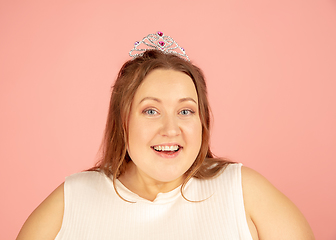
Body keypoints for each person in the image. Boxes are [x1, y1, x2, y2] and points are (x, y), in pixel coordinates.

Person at [17, 32, 315, 240]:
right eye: (150, 111)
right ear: (123, 122)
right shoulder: (73, 199)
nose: (171, 130)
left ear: (202, 122)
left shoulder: (243, 191)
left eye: (186, 111)